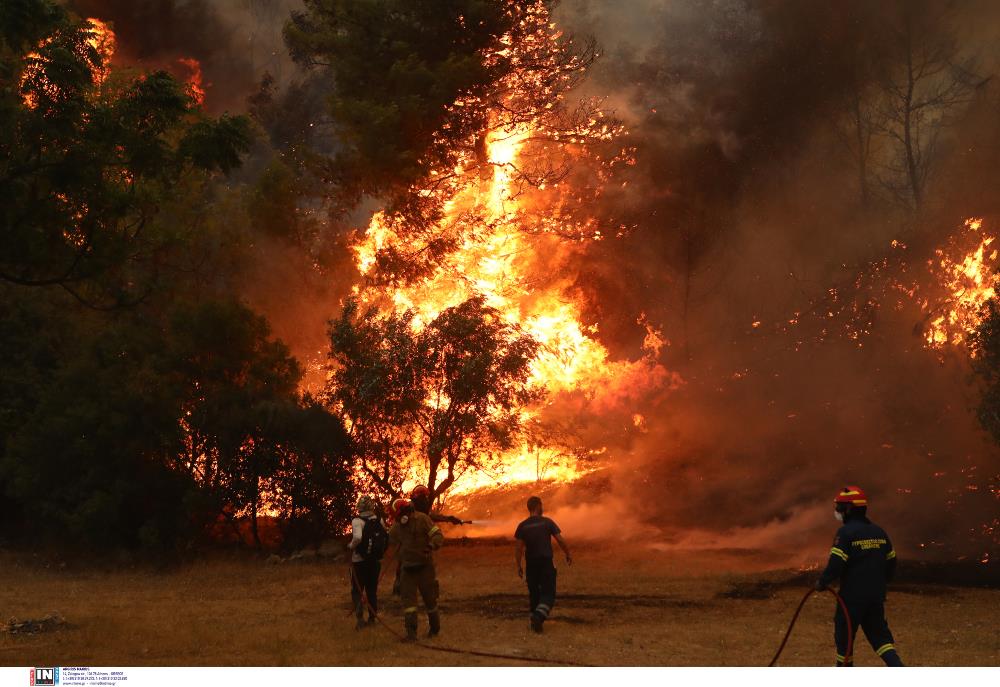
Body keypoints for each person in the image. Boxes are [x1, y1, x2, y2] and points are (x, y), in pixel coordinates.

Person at [816, 486, 904, 667]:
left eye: (839, 507)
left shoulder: (846, 533)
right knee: (880, 638)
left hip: (851, 599)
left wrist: (822, 582)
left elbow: (836, 565)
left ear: (849, 509)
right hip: (875, 596)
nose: (837, 512)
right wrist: (882, 582)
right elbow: (891, 561)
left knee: (845, 640)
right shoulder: (879, 532)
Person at [388, 498, 445, 640]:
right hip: (407, 569)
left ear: (407, 512)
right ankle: (411, 634)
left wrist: (431, 545)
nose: (400, 520)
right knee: (409, 603)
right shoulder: (397, 527)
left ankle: (435, 629)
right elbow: (390, 539)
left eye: (400, 516)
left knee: (430, 599)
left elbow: (437, 535)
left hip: (425, 567)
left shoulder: (423, 519)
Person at [392, 485, 465, 596]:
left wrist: (449, 519)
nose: (426, 499)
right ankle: (399, 588)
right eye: (424, 496)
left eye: (426, 497)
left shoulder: (422, 507)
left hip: (420, 540)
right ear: (418, 497)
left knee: (425, 565)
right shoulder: (410, 507)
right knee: (403, 564)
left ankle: (427, 590)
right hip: (408, 540)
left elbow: (430, 516)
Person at [514, 496, 571, 633]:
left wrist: (519, 566)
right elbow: (560, 540)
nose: (543, 507)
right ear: (538, 506)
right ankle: (538, 617)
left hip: (531, 564)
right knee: (548, 593)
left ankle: (534, 622)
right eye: (542, 505)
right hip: (546, 563)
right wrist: (568, 553)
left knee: (534, 593)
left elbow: (518, 548)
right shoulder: (547, 522)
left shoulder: (522, 526)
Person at [347, 496, 387, 630]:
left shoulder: (357, 521)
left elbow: (357, 537)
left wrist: (350, 546)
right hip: (375, 562)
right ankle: (372, 618)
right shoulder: (379, 520)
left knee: (357, 590)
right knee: (372, 590)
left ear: (359, 507)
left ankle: (360, 619)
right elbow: (384, 537)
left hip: (359, 562)